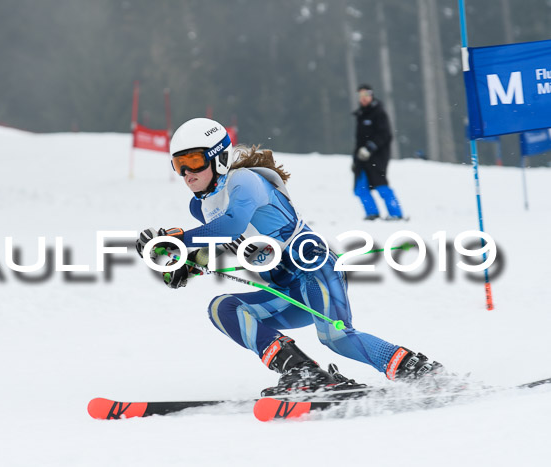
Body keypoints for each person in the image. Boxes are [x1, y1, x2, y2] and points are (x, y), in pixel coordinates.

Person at [136, 117, 439, 396]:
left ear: (220, 157)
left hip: (316, 270)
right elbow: (221, 242)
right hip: (286, 290)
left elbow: (233, 225)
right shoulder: (201, 207)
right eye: (179, 164)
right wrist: (185, 266)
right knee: (223, 308)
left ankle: (417, 370)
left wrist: (179, 240)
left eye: (194, 160)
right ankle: (302, 371)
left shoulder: (244, 182)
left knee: (337, 338)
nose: (188, 173)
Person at [353, 84, 404, 221]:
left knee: (381, 185)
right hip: (361, 158)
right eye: (361, 96)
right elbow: (359, 140)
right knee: (360, 188)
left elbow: (385, 135)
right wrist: (355, 159)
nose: (363, 98)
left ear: (371, 95)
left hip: (377, 158)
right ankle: (372, 213)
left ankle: (396, 213)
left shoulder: (378, 112)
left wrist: (370, 147)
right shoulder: (361, 114)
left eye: (366, 95)